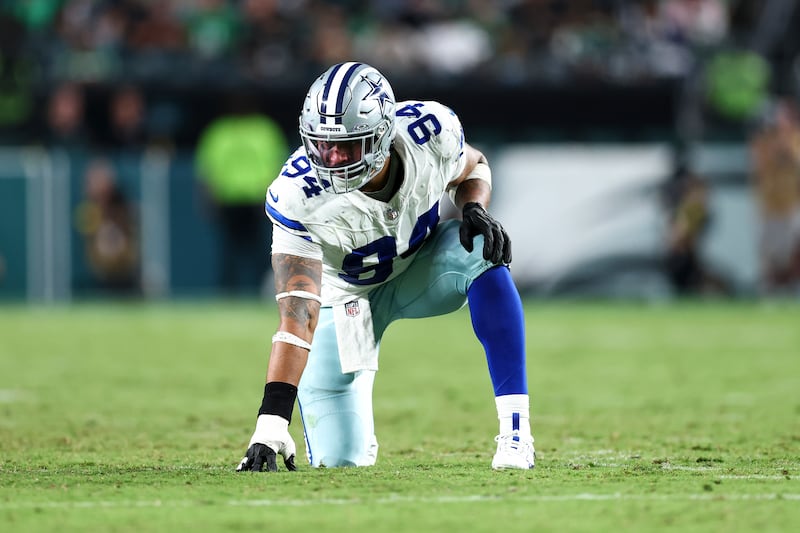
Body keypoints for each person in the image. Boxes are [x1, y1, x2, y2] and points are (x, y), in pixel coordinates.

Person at [236, 62, 533, 472]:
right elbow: (297, 316)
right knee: (341, 461)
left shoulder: (428, 132)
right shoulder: (296, 195)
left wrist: (474, 207)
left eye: (347, 146)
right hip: (341, 301)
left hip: (418, 269)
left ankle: (516, 435)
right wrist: (271, 423)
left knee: (482, 245)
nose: (333, 158)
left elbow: (475, 165)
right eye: (323, 145)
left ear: (380, 136)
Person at [749, 98, 800, 295]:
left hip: (792, 205)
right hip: (769, 207)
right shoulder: (762, 142)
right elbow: (760, 168)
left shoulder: (796, 140)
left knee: (795, 249)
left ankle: (794, 284)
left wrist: (786, 144)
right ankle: (770, 288)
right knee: (770, 254)